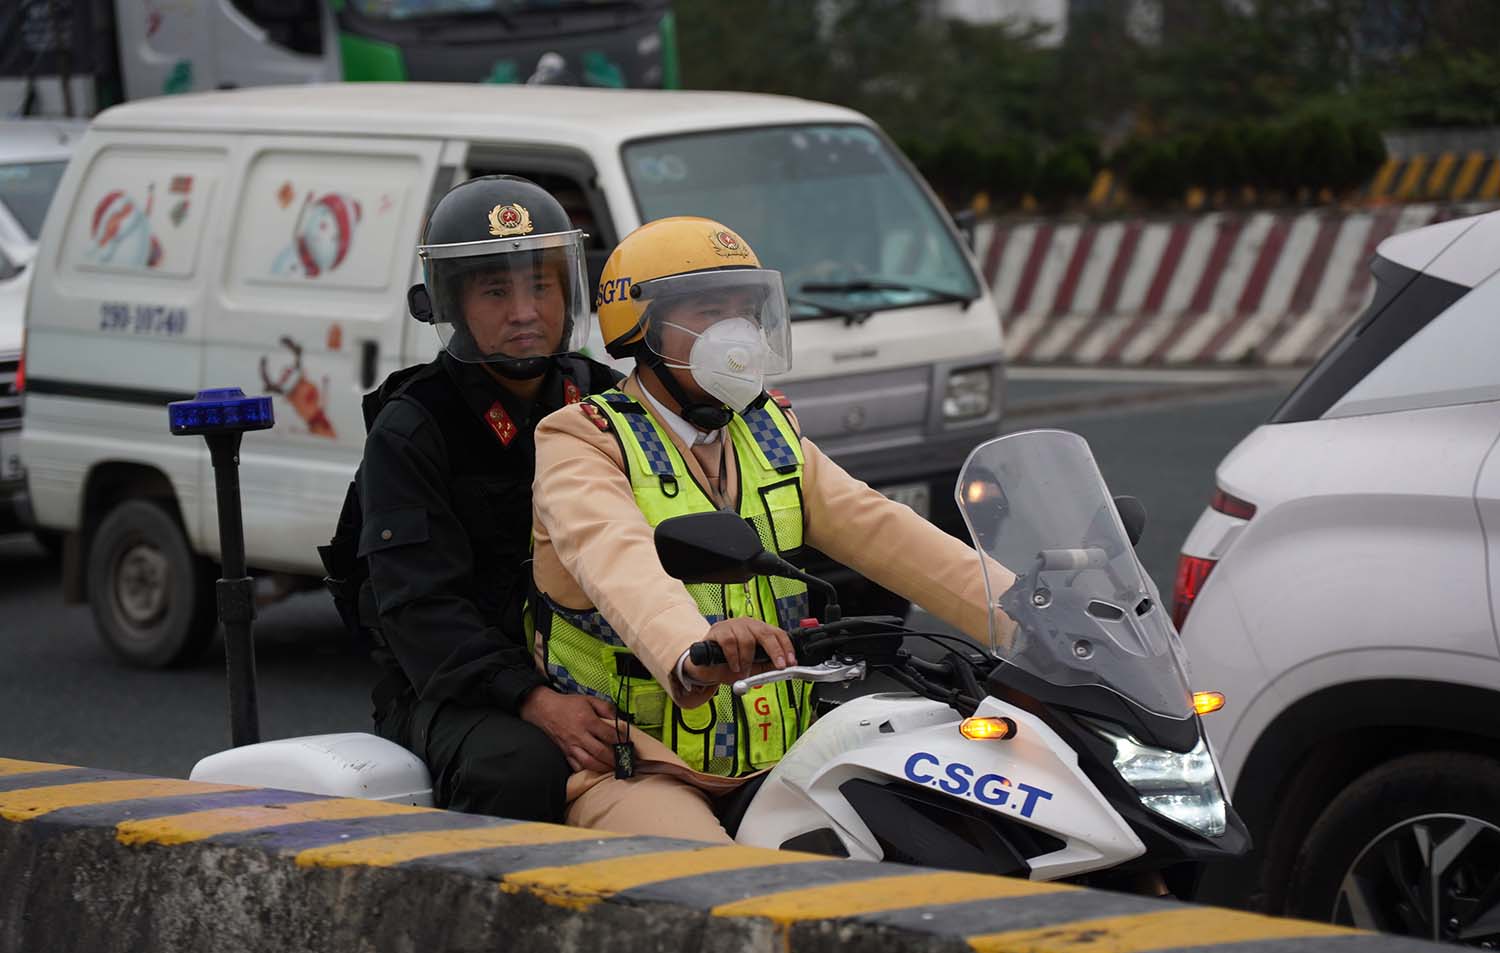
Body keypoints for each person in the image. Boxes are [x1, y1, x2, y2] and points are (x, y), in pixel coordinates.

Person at [527, 216, 1013, 842]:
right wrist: (692, 649)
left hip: (786, 758)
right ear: (642, 329)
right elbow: (616, 560)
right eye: (709, 311)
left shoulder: (769, 433)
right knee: (717, 889)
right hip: (639, 765)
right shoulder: (582, 440)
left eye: (747, 312)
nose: (738, 334)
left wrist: (1036, 617)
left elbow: (891, 534)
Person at [322, 175, 621, 822]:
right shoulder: (415, 427)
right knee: (518, 767)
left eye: (540, 284)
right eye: (495, 290)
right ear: (452, 305)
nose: (523, 311)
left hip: (601, 666)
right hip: (456, 689)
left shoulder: (606, 400)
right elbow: (418, 609)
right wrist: (533, 700)